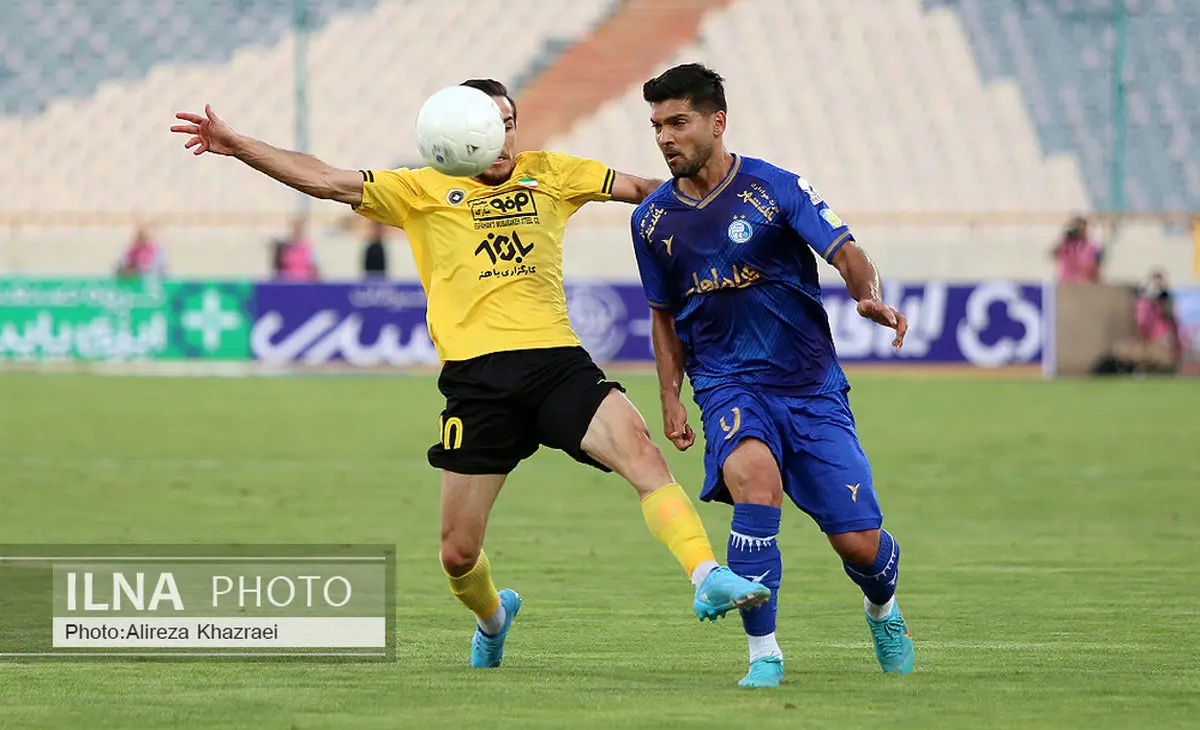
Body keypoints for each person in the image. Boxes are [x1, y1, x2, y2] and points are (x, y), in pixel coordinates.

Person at [171, 78, 768, 669]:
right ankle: (493, 619)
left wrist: (717, 215)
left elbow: (646, 189)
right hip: (477, 384)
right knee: (457, 554)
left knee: (642, 453)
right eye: (488, 126)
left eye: (508, 124)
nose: (502, 138)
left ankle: (704, 573)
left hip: (555, 362)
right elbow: (326, 178)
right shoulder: (421, 189)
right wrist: (238, 144)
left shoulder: (554, 172)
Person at [630, 64, 915, 687]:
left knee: (860, 545)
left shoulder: (774, 187)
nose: (665, 138)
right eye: (656, 126)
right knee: (754, 483)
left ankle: (883, 608)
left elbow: (846, 250)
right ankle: (764, 655)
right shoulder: (650, 220)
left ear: (717, 121)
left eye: (678, 122)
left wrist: (866, 295)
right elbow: (662, 315)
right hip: (728, 384)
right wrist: (671, 396)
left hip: (810, 388)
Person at [1111, 270, 1181, 374]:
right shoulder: (1144, 304)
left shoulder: (1165, 304)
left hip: (1161, 343)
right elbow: (1142, 325)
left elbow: (1173, 329)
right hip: (1148, 343)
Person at [1052, 215, 1103, 284]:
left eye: (1083, 227)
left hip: (1084, 284)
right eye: (1078, 227)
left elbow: (1095, 269)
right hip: (1066, 284)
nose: (1080, 229)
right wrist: (1064, 238)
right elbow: (1053, 254)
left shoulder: (1092, 247)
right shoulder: (1065, 245)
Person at [274, 217, 320, 281]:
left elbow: (314, 266)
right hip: (288, 282)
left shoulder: (309, 246)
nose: (297, 229)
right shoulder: (283, 246)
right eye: (295, 227)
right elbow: (278, 267)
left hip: (305, 282)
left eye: (299, 227)